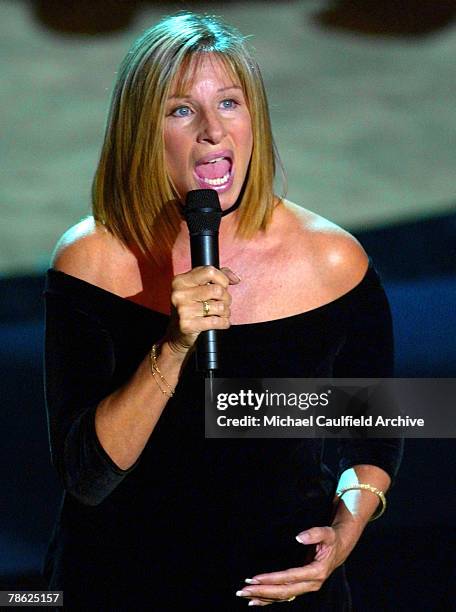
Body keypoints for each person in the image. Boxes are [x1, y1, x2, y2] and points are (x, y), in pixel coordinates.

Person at [43, 11, 403, 610]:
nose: (213, 130)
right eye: (181, 109)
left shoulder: (334, 261)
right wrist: (174, 344)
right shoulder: (91, 261)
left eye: (230, 103)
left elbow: (375, 427)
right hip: (116, 587)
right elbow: (86, 476)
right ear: (143, 131)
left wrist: (346, 531)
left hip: (280, 593)